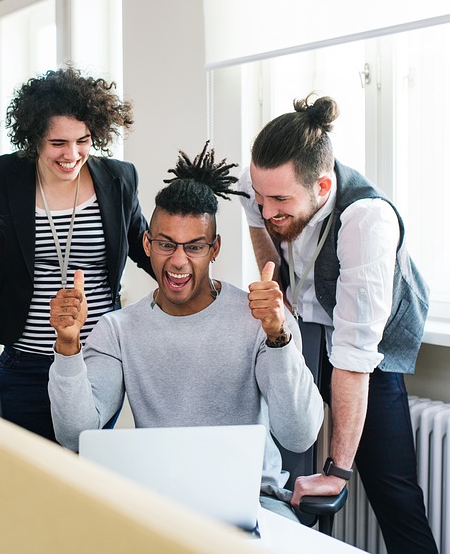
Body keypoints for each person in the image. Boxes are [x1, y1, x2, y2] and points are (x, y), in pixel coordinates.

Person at [48, 143, 323, 521]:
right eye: (165, 244)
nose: (178, 260)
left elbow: (299, 435)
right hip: (159, 502)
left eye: (194, 247)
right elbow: (74, 434)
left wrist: (279, 337)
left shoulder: (261, 319)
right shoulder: (117, 329)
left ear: (214, 250)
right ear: (147, 244)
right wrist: (67, 346)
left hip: (253, 500)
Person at [238, 95, 438, 552]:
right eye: (260, 196)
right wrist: (279, 283)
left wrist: (338, 471)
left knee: (391, 488)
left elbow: (353, 356)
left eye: (281, 201)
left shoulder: (367, 220)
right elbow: (257, 221)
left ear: (323, 186)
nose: (267, 210)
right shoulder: (260, 183)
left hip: (371, 346)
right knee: (289, 479)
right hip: (302, 326)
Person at [0, 67, 154, 441]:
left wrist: (206, 288)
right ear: (34, 137)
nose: (72, 155)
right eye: (58, 143)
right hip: (25, 361)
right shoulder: (2, 176)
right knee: (23, 473)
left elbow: (147, 250)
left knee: (84, 470)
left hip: (98, 360)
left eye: (83, 140)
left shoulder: (119, 178)